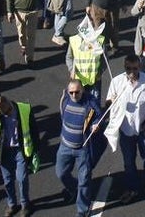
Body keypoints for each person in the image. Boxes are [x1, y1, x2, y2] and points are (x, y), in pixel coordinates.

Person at [106, 54, 145, 204]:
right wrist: (113, 102)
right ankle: (132, 188)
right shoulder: (116, 82)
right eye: (128, 68)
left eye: (134, 68)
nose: (131, 71)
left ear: (140, 67)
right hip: (125, 130)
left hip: (144, 129)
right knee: (129, 162)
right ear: (124, 68)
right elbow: (108, 103)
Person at [0, 94, 40, 217]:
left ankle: (25, 204)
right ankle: (12, 204)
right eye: (5, 113)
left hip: (20, 150)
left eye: (9, 111)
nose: (8, 114)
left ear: (11, 104)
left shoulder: (24, 108)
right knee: (7, 181)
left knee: (22, 178)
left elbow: (33, 130)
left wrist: (36, 150)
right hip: (4, 152)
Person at [55, 82, 101, 217]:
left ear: (82, 91)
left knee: (84, 180)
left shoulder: (90, 103)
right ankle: (73, 188)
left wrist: (95, 125)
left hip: (83, 148)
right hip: (65, 146)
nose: (74, 95)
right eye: (72, 92)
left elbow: (98, 116)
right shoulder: (65, 99)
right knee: (61, 173)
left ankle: (82, 210)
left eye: (77, 92)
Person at [6, 0, 46, 66]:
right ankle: (23, 46)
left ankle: (29, 57)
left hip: (32, 12)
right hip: (19, 13)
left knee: (31, 36)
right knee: (21, 34)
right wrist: (9, 12)